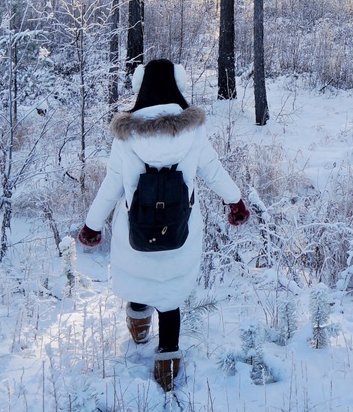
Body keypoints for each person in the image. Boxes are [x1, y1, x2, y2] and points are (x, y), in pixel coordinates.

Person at [77, 58, 249, 390]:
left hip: (135, 232)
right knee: (169, 297)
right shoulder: (193, 131)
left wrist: (92, 225)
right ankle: (167, 363)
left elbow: (112, 184)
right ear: (178, 87)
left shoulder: (125, 136)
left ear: (140, 89)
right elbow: (212, 170)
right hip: (180, 232)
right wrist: (235, 201)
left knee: (140, 281)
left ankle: (139, 324)